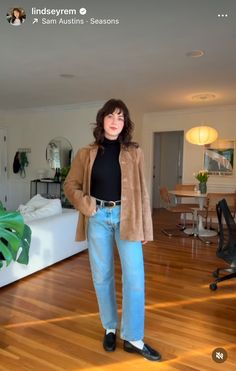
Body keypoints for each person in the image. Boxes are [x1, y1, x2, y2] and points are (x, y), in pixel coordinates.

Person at [64, 99, 161, 361]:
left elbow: (142, 192)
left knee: (135, 278)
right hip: (97, 218)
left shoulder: (134, 152)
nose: (115, 121)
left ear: (125, 123)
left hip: (127, 217)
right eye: (110, 116)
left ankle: (133, 337)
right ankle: (109, 327)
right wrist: (86, 205)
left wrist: (145, 228)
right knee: (101, 276)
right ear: (102, 120)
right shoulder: (86, 153)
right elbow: (70, 184)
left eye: (120, 117)